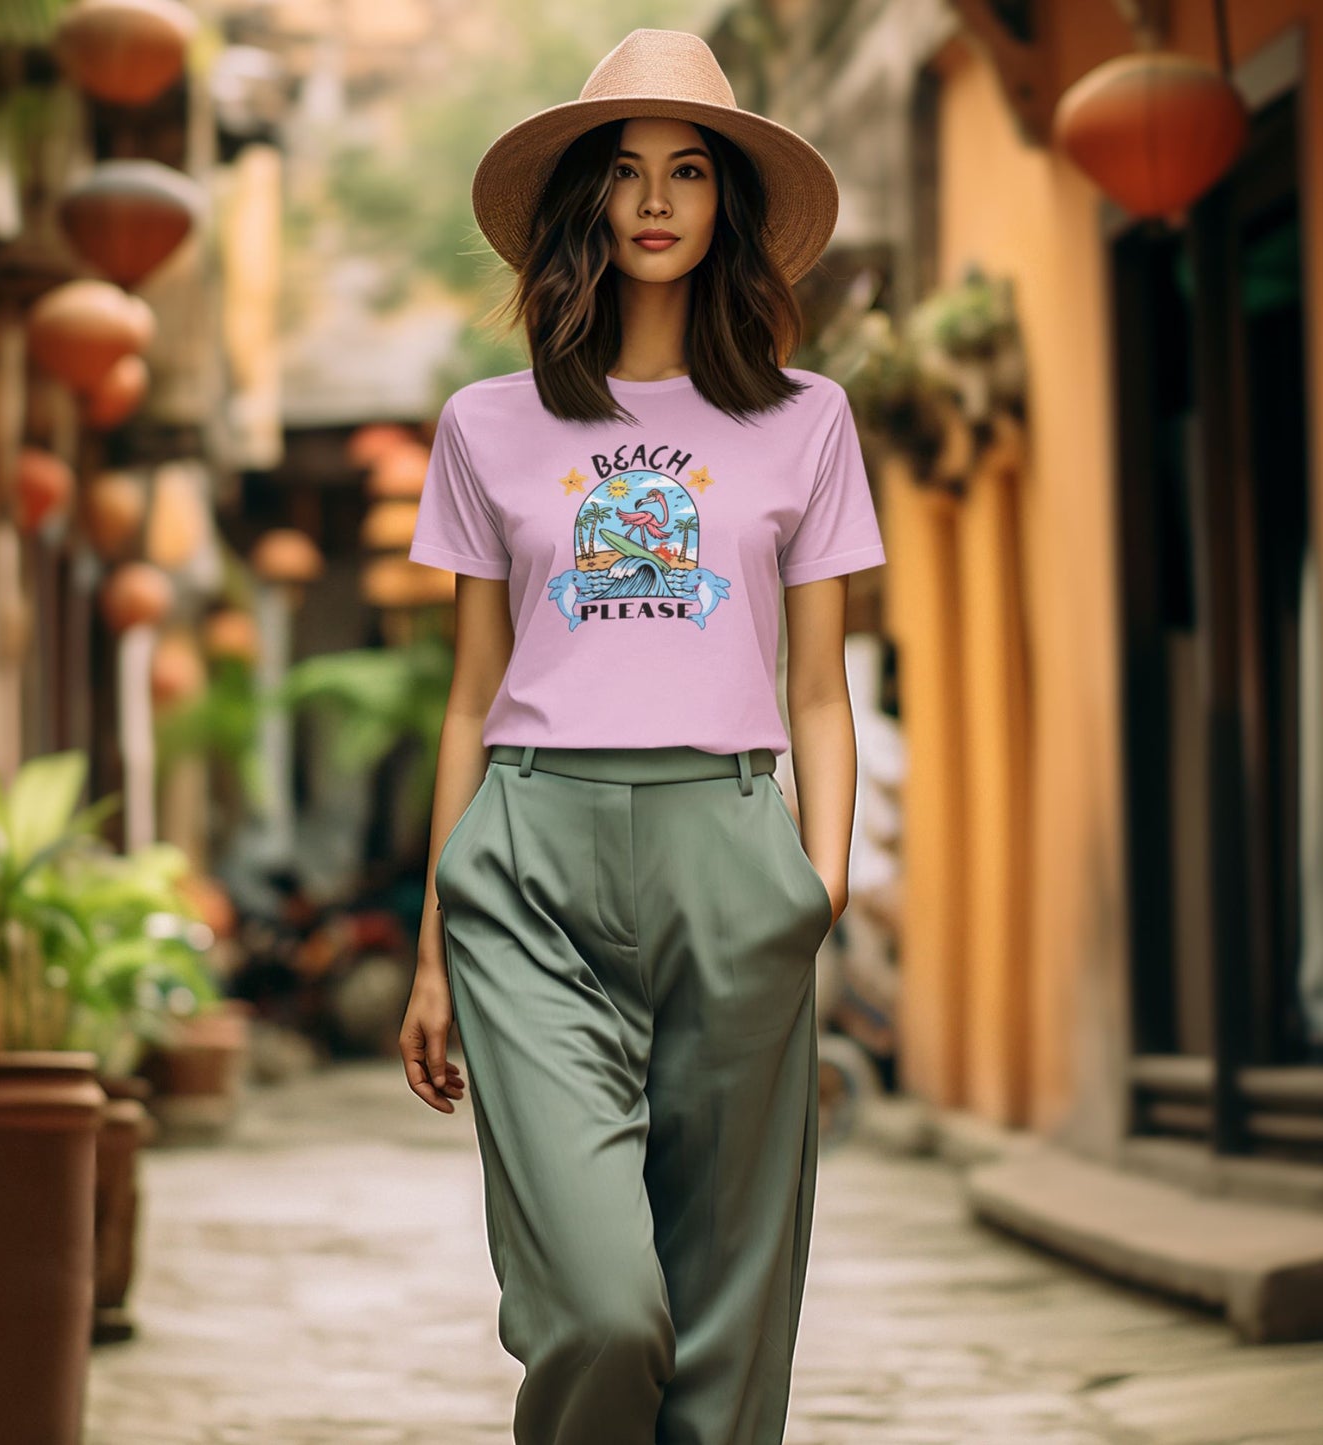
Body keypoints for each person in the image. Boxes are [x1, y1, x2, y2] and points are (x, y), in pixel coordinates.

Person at [398, 27, 887, 1445]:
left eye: (687, 170)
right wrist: (433, 939)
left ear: (726, 202)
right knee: (603, 1310)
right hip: (530, 854)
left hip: (733, 846)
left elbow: (818, 686)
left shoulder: (806, 422)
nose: (656, 199)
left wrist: (817, 883)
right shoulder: (488, 427)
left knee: (730, 1318)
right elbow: (468, 691)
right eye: (623, 173)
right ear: (584, 207)